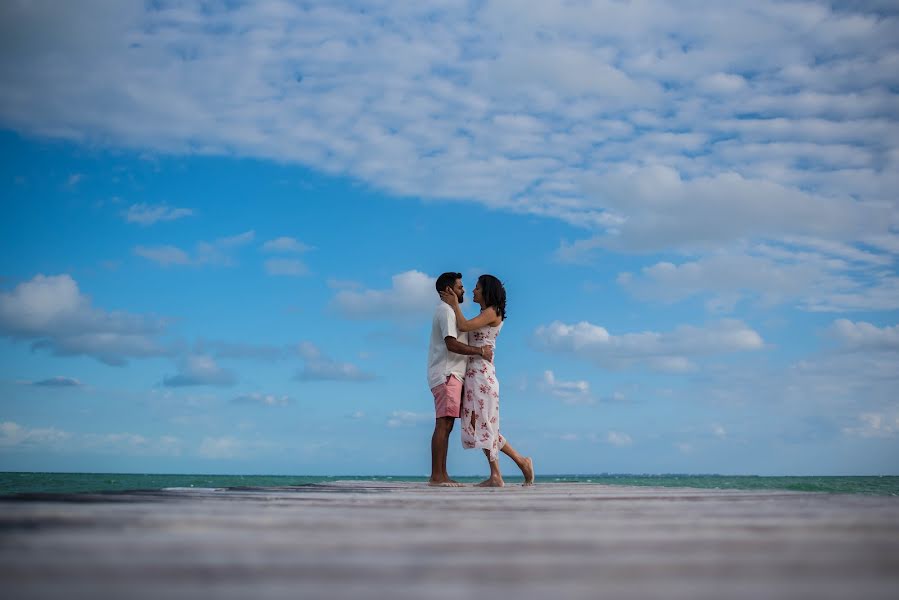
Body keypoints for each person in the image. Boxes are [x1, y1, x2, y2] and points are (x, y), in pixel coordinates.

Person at [440, 274, 534, 487]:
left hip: (482, 375)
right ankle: (521, 463)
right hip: (474, 374)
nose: (473, 291)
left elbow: (463, 326)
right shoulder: (485, 313)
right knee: (484, 425)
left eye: (477, 288)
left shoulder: (492, 312)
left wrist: (454, 304)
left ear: (487, 291)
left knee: (485, 425)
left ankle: (497, 475)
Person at [427, 272, 494, 487]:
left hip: (452, 374)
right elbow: (451, 344)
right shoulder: (446, 311)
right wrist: (480, 351)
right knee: (443, 424)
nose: (463, 290)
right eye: (459, 287)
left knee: (446, 425)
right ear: (448, 290)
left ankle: (441, 474)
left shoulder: (450, 311)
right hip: (447, 373)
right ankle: (438, 476)